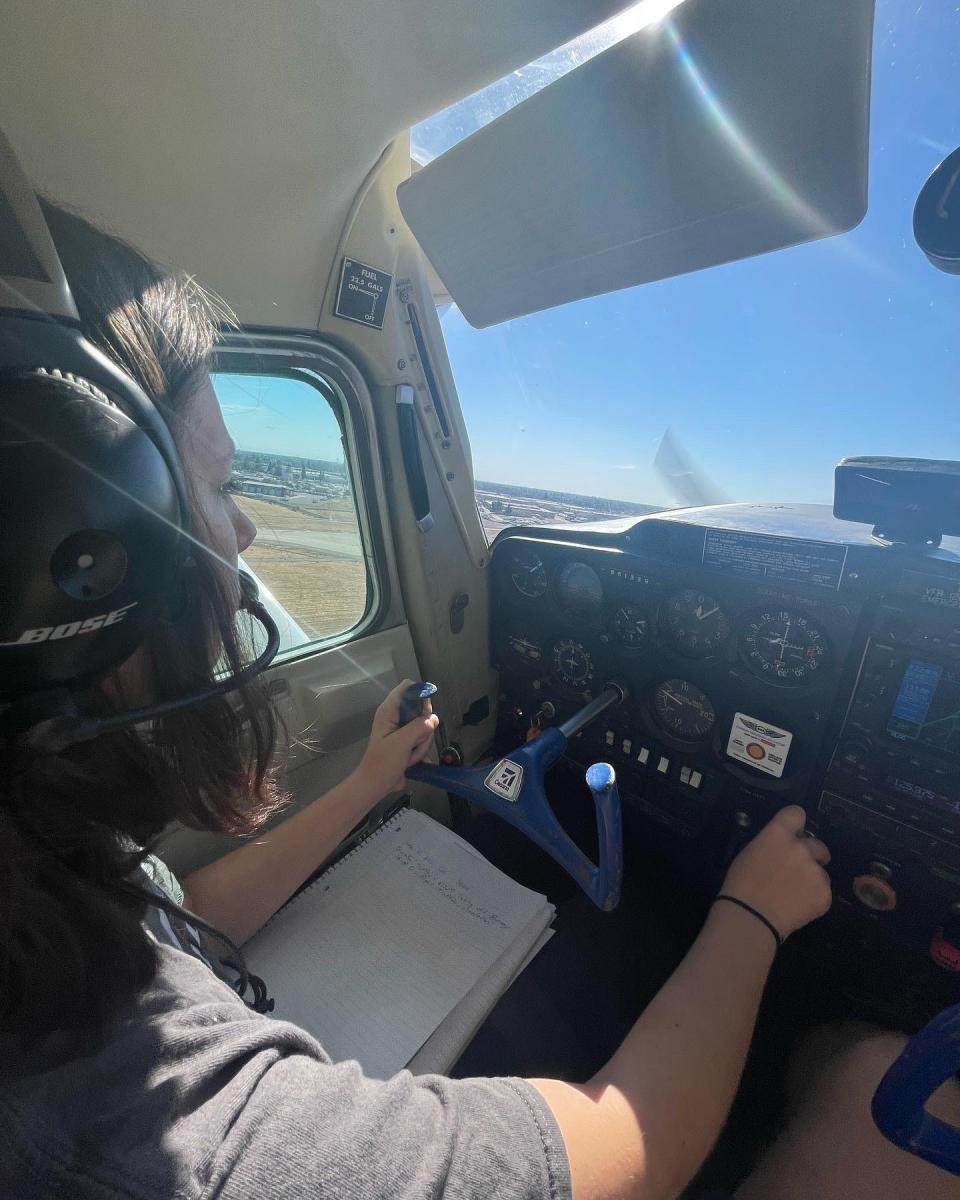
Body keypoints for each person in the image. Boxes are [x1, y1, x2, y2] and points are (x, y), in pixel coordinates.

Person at [0, 200, 954, 1200]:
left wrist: (372, 779)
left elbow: (176, 911)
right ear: (77, 562)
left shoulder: (57, 878)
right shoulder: (162, 1133)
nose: (239, 534)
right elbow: (635, 1150)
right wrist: (752, 914)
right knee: (879, 1085)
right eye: (214, 488)